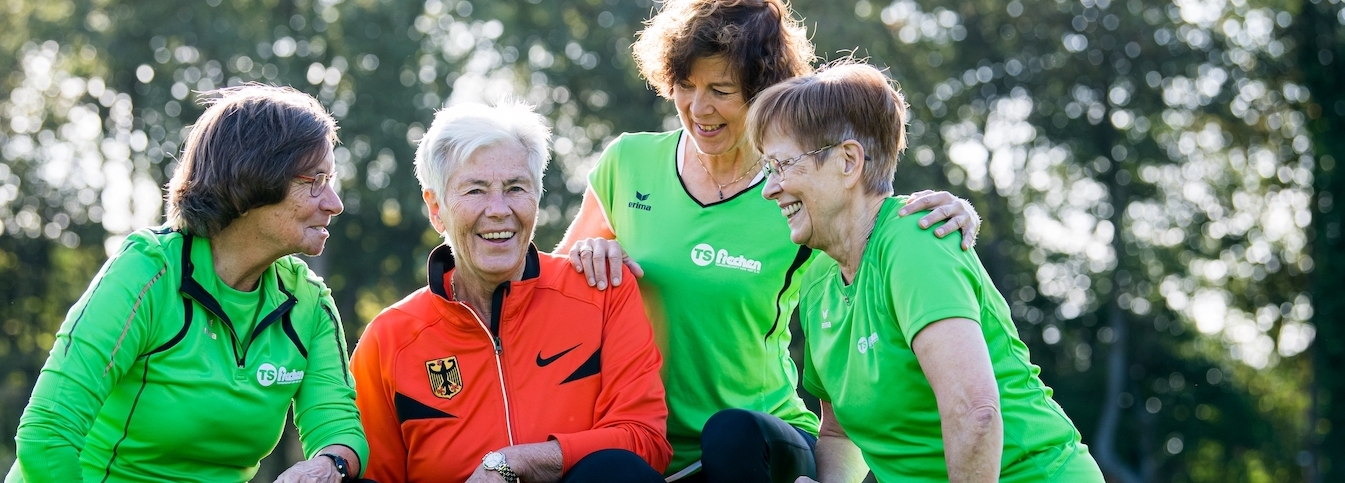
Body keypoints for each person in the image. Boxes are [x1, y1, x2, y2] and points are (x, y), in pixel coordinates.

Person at [555, 0, 981, 480]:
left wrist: (954, 210)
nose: (699, 108)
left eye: (721, 89)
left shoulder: (797, 191)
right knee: (598, 471)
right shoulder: (627, 161)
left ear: (762, 93)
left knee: (731, 435)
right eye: (686, 86)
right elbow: (552, 299)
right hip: (643, 436)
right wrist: (588, 254)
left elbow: (868, 226)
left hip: (759, 440)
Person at [752, 59, 1105, 483]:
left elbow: (975, 412)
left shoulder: (915, 240)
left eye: (784, 165)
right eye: (768, 169)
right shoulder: (818, 281)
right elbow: (839, 432)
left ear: (848, 162)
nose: (770, 188)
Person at [7, 85, 370, 483]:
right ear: (253, 178)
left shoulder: (310, 304)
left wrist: (325, 465)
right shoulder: (147, 271)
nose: (334, 203)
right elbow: (46, 435)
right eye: (315, 180)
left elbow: (339, 429)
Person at [349, 102, 671, 483]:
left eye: (516, 188)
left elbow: (646, 442)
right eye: (475, 190)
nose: (498, 210)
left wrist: (513, 462)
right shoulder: (389, 340)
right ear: (436, 209)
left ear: (537, 196)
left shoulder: (601, 292)